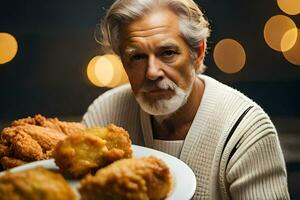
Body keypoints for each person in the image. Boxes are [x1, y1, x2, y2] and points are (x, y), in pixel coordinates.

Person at [82, 0, 290, 199]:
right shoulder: (104, 113)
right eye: (137, 57)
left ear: (198, 53)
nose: (152, 72)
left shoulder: (246, 130)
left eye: (168, 53)